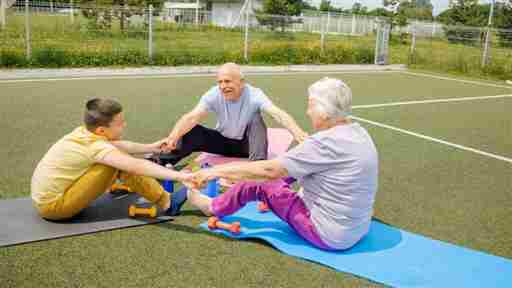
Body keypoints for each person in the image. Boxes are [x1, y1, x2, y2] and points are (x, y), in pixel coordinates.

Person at [187, 77, 379, 250]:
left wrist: (215, 172)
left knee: (262, 182)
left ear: (324, 112)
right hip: (357, 229)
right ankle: (261, 195)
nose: (308, 111)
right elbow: (294, 167)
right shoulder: (359, 132)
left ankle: (213, 207)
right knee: (286, 169)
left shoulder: (324, 144)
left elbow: (268, 171)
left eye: (311, 106)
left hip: (329, 236)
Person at [31, 98, 190, 220]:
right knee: (117, 164)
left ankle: (155, 195)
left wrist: (152, 147)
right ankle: (168, 203)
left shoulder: (84, 133)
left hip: (46, 200)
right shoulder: (95, 147)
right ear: (101, 130)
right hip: (55, 207)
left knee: (114, 156)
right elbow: (135, 165)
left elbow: (121, 145)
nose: (124, 125)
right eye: (120, 123)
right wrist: (181, 176)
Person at [155, 62, 308, 166]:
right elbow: (192, 116)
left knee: (255, 118)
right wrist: (173, 137)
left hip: (247, 146)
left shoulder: (255, 95)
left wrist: (299, 134)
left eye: (228, 81)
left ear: (241, 82)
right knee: (192, 130)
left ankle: (256, 168)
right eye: (220, 82)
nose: (223, 86)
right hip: (223, 142)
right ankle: (158, 163)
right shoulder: (214, 94)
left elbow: (278, 114)